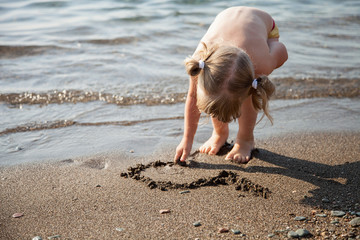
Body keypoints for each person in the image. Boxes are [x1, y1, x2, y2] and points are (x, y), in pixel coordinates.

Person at [174, 6, 288, 164]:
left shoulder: (262, 65)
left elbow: (282, 51)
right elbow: (193, 97)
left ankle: (245, 139)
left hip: (265, 25)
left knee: (248, 95)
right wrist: (187, 139)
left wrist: (271, 51)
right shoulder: (199, 63)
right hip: (226, 16)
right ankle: (219, 134)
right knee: (217, 95)